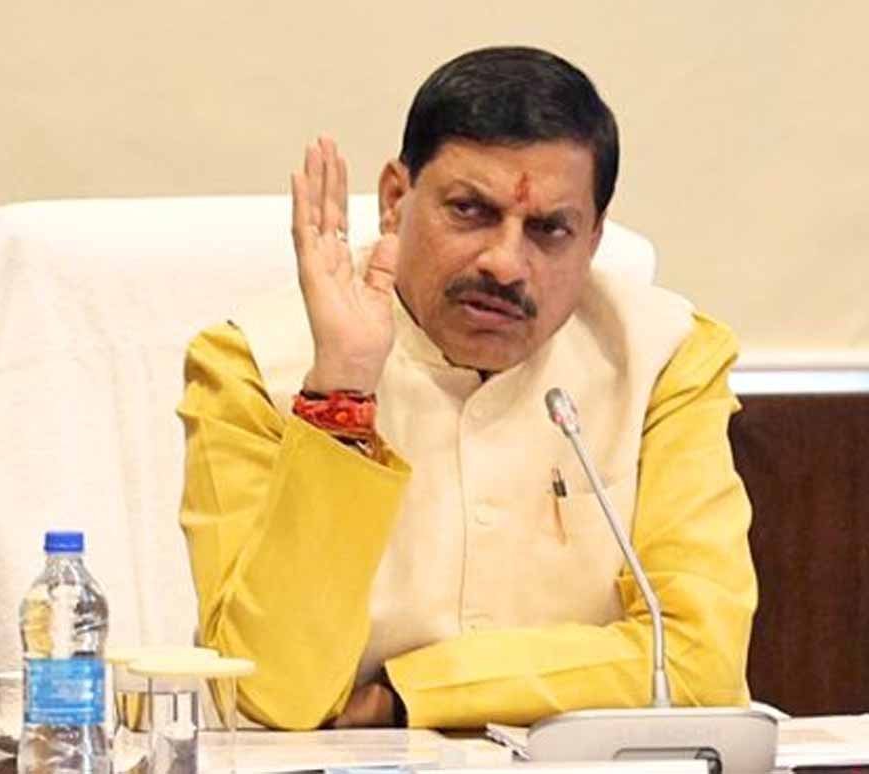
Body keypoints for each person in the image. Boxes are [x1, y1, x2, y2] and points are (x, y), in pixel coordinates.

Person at [177, 46, 756, 730]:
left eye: (549, 230)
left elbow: (696, 664)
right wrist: (342, 390)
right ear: (396, 200)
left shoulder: (664, 361)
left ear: (593, 239)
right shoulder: (250, 366)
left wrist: (406, 696)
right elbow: (272, 692)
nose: (506, 264)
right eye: (470, 211)